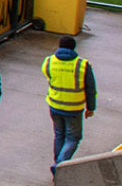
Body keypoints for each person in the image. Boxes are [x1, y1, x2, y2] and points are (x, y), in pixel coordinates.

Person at [41, 36, 97, 167]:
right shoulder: (82, 65)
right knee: (73, 138)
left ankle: (58, 163)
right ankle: (59, 166)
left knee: (59, 135)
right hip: (73, 108)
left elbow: (48, 75)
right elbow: (90, 88)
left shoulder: (49, 61)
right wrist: (91, 108)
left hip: (54, 105)